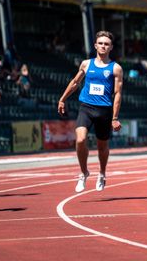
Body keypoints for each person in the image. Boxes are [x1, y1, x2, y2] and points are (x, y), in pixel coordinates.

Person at [58, 31, 123, 192]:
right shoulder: (86, 64)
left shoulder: (116, 68)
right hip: (86, 107)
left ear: (111, 47)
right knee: (80, 140)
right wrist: (62, 99)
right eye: (100, 43)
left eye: (106, 44)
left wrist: (115, 117)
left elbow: (118, 94)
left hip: (104, 111)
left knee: (102, 147)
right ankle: (83, 172)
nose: (103, 46)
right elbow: (75, 83)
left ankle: (101, 173)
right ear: (95, 45)